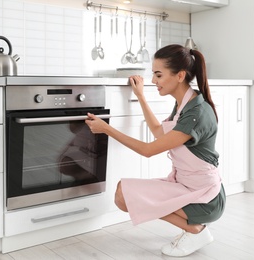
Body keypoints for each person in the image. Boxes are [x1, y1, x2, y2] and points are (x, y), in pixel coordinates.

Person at [85, 44, 226, 257]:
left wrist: (106, 129)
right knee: (123, 194)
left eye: (158, 75)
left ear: (179, 76)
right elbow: (159, 132)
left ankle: (196, 229)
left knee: (126, 195)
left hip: (205, 198)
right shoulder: (184, 103)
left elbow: (149, 150)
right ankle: (194, 230)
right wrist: (141, 96)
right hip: (186, 186)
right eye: (153, 74)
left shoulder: (196, 112)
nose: (153, 81)